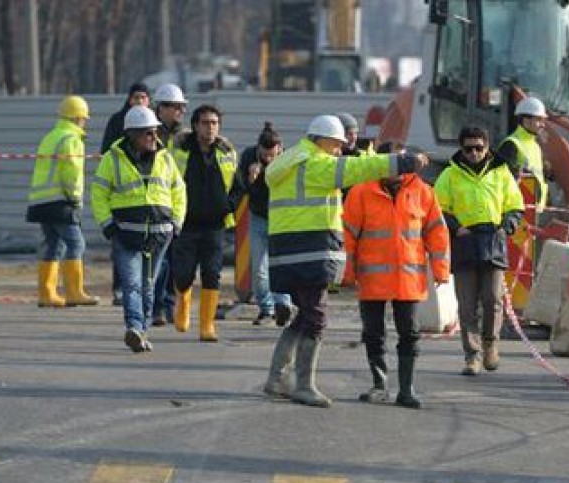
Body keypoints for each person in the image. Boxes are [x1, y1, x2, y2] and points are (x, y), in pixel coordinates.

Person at [263, 114, 429, 408]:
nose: (339, 150)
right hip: (311, 249)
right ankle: (303, 384)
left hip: (287, 250)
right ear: (322, 140)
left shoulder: (289, 160)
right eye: (337, 144)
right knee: (316, 318)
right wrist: (402, 162)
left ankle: (277, 378)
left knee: (304, 314)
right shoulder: (315, 164)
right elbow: (360, 168)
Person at [342, 142, 450, 409]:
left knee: (410, 333)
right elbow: (347, 236)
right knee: (373, 333)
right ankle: (380, 385)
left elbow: (437, 233)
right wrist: (346, 273)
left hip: (408, 279)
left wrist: (441, 270)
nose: (394, 168)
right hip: (372, 279)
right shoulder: (361, 192)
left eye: (399, 162)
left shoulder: (423, 192)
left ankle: (406, 389)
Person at [91, 105, 185, 353]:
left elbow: (179, 191)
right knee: (132, 284)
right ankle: (134, 326)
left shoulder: (165, 158)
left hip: (160, 233)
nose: (155, 138)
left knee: (149, 285)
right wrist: (107, 225)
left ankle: (142, 331)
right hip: (125, 234)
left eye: (155, 132)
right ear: (133, 135)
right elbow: (99, 193)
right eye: (148, 133)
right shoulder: (113, 159)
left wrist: (176, 222)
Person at [434, 125, 524, 376]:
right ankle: (472, 356)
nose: (474, 153)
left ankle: (490, 347)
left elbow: (515, 206)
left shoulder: (501, 172)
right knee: (467, 305)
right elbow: (438, 209)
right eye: (468, 148)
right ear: (461, 149)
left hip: (493, 241)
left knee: (493, 299)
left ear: (487, 147)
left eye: (479, 148)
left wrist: (508, 226)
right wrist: (456, 227)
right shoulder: (449, 176)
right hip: (465, 243)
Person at [169, 104, 242, 342]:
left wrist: (229, 205)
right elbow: (166, 180)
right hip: (186, 224)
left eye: (214, 123)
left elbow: (238, 187)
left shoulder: (227, 151)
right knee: (183, 274)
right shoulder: (178, 150)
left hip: (215, 225)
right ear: (195, 125)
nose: (210, 128)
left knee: (212, 274)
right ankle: (182, 303)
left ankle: (207, 326)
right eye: (205, 123)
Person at [25, 95, 99, 308]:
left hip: (41, 200)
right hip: (60, 200)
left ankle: (47, 295)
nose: (85, 122)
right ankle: (74, 292)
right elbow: (72, 173)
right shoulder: (71, 139)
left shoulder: (51, 136)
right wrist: (75, 199)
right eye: (84, 118)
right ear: (77, 118)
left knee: (52, 244)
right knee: (77, 243)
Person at [237, 122, 293, 326]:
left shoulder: (288, 159)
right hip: (259, 217)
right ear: (258, 148)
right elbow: (241, 186)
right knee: (259, 268)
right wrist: (250, 179)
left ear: (280, 148)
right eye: (265, 155)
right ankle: (266, 308)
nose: (269, 160)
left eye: (273, 155)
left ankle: (283, 305)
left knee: (281, 264)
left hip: (281, 218)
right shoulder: (249, 157)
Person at [100, 82, 151, 307]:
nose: (139, 102)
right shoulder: (117, 121)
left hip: (150, 202)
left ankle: (145, 294)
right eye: (135, 97)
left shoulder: (153, 123)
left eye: (143, 97)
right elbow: (106, 153)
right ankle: (120, 290)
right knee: (122, 249)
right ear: (128, 99)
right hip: (121, 199)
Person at [149, 83, 190, 326]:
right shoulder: (149, 134)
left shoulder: (187, 137)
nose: (180, 112)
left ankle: (170, 306)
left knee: (177, 263)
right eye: (175, 107)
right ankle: (157, 307)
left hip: (180, 205)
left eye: (182, 108)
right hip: (156, 205)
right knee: (159, 262)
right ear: (160, 108)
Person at [497, 96, 549, 211]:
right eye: (539, 120)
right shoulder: (511, 144)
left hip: (534, 212)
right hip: (515, 213)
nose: (543, 125)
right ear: (526, 121)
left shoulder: (536, 147)